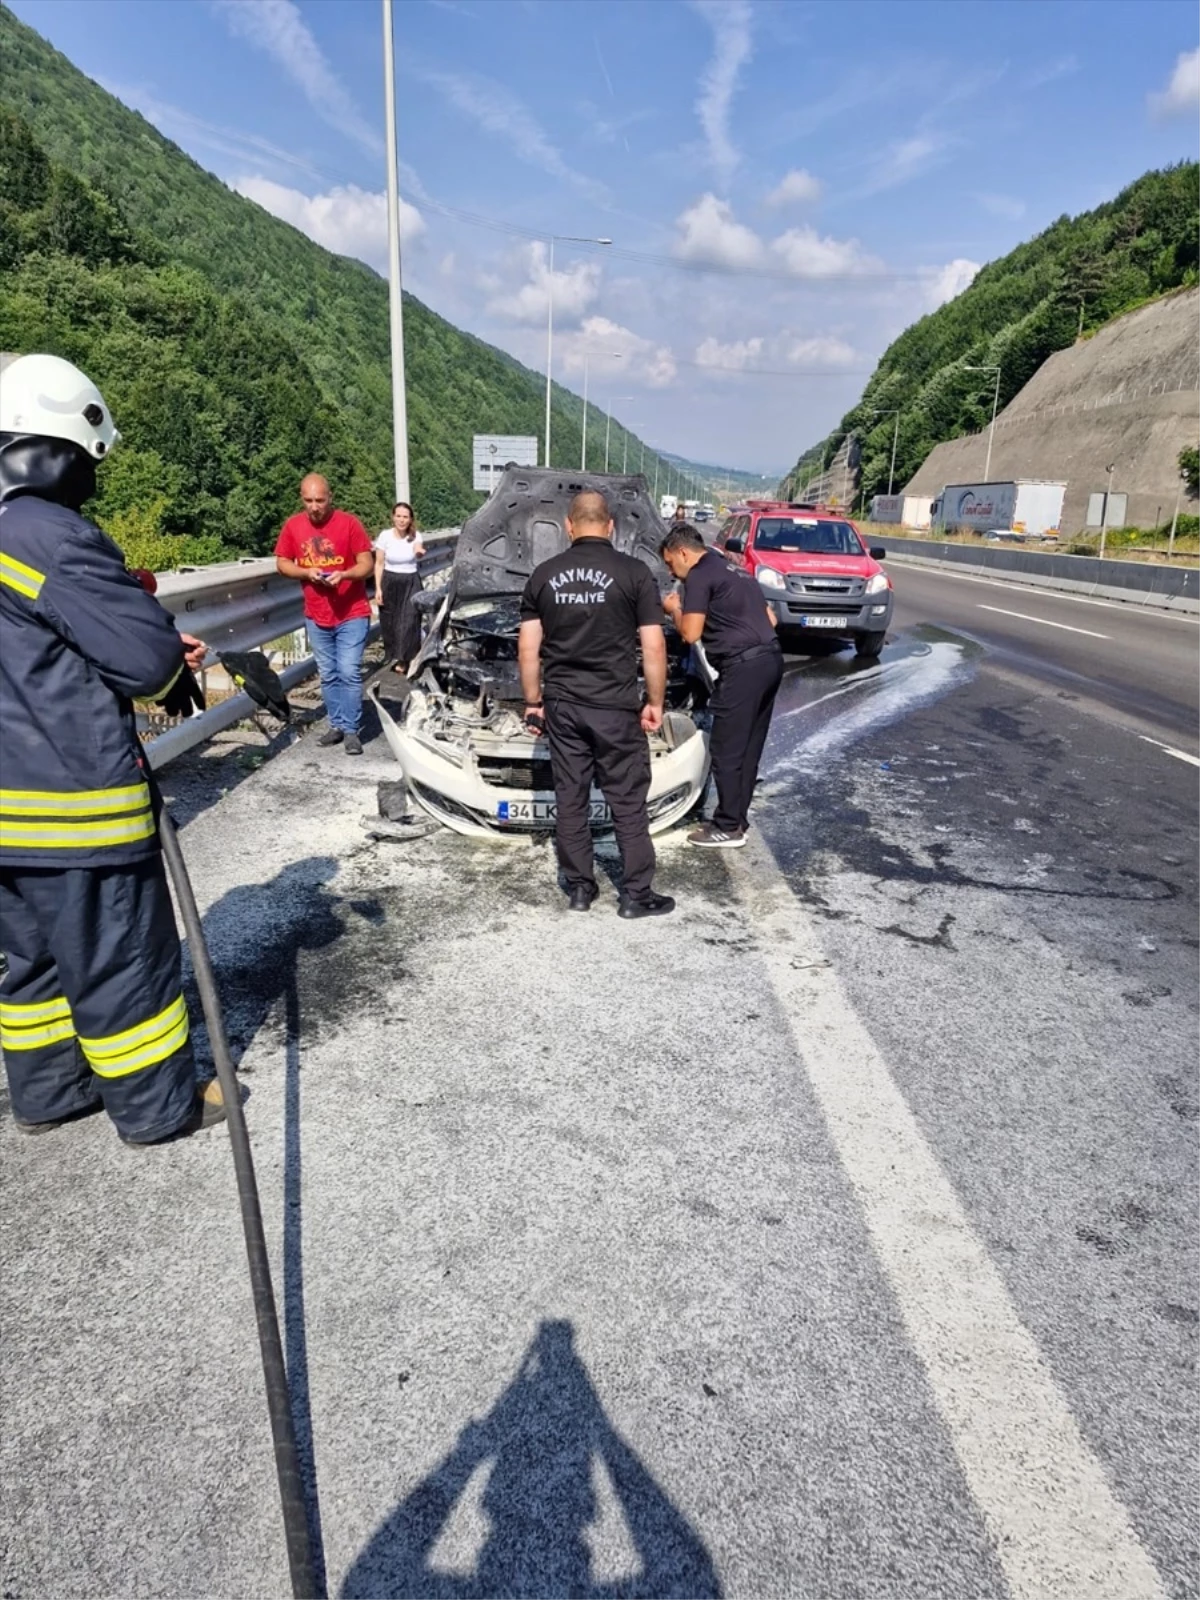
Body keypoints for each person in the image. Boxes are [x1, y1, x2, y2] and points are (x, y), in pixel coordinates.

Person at [0, 353, 224, 1144]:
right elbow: (145, 664)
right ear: (54, 448)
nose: (93, 479)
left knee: (32, 966)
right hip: (74, 805)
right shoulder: (50, 536)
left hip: (8, 813)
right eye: (88, 461)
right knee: (121, 960)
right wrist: (163, 645)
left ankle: (50, 1093)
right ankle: (158, 1108)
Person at [518, 491, 674, 918]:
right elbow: (654, 648)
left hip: (564, 705)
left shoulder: (543, 575)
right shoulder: (635, 573)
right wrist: (654, 702)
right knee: (626, 800)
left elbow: (529, 650)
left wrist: (534, 701)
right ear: (610, 527)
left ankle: (581, 890)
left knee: (571, 798)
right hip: (616, 706)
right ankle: (636, 895)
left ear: (569, 527)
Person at [660, 522, 782, 848]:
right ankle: (737, 819)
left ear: (683, 552)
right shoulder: (736, 570)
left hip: (743, 668)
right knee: (748, 748)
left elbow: (690, 633)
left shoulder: (700, 574)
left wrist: (675, 610)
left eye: (671, 564)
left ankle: (727, 827)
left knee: (726, 748)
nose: (674, 573)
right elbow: (771, 620)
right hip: (771, 659)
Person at [275, 473, 373, 755]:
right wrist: (306, 572)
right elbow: (282, 563)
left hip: (351, 611)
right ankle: (337, 724)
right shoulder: (293, 526)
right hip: (316, 613)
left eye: (320, 500)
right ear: (302, 499)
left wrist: (345, 575)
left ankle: (353, 730)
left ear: (330, 497)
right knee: (328, 673)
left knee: (349, 671)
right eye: (308, 500)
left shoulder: (349, 523)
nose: (314, 506)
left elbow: (366, 563)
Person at [374, 500, 425, 672]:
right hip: (390, 580)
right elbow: (379, 563)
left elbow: (418, 548)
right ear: (393, 517)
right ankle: (396, 655)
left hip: (410, 580)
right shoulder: (385, 536)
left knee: (409, 620)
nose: (402, 520)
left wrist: (419, 552)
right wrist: (378, 588)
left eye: (405, 517)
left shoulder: (415, 535)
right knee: (391, 621)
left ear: (410, 519)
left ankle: (406, 659)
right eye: (398, 516)